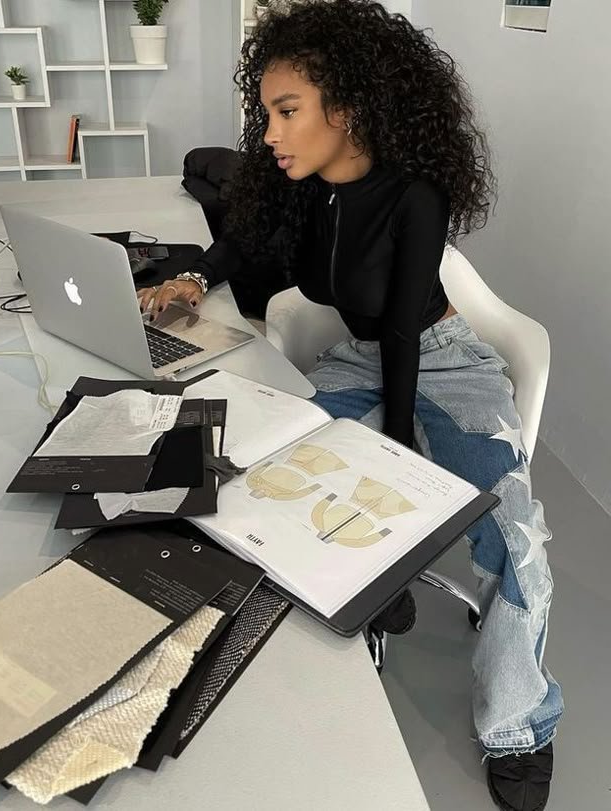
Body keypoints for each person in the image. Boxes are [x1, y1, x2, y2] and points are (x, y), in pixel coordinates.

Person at [138, 2, 561, 808]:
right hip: (361, 357)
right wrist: (195, 276)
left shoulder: (416, 196)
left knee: (513, 531)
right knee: (273, 483)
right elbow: (245, 242)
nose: (270, 132)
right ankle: (367, 597)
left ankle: (519, 724)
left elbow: (403, 331)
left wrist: (393, 454)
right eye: (266, 113)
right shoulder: (302, 185)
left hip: (443, 357)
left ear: (350, 108)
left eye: (287, 111)